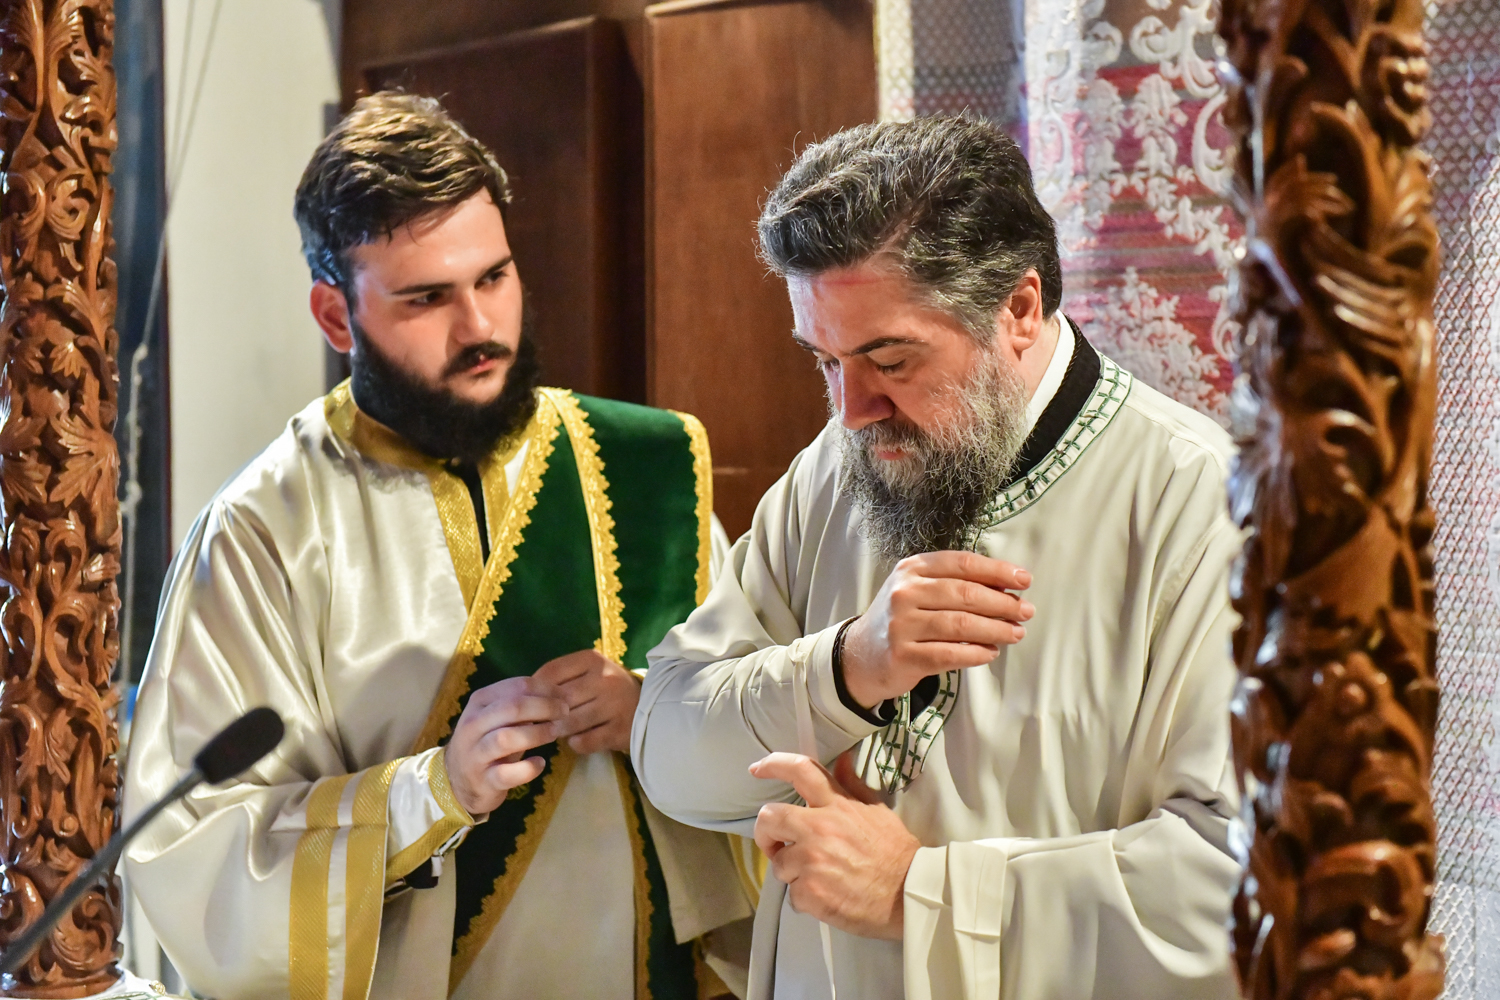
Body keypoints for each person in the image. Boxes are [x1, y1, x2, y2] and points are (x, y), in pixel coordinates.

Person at [123, 92, 751, 1000]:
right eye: (427, 298)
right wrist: (434, 791)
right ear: (335, 317)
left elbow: (772, 735)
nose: (480, 328)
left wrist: (657, 718)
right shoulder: (266, 530)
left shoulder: (650, 469)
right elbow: (200, 853)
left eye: (494, 278)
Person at [632, 115, 1241, 999]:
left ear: (1019, 310)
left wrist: (918, 894)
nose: (851, 410)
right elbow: (668, 753)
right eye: (825, 362)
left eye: (890, 359)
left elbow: (1234, 885)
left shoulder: (1198, 504)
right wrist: (843, 670)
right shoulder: (831, 472)